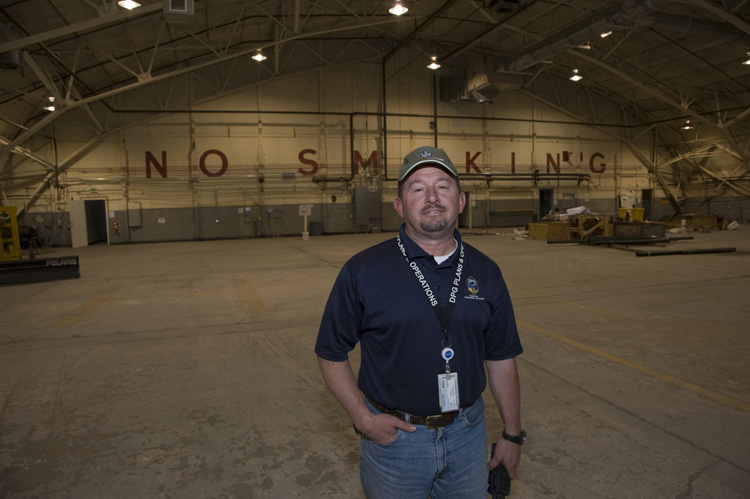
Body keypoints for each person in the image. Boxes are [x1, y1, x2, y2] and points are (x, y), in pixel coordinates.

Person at [315, 145, 524, 499]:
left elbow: (501, 356)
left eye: (443, 186)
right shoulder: (363, 271)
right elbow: (330, 351)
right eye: (417, 188)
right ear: (399, 206)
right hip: (396, 441)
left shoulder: (486, 271)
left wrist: (512, 434)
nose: (432, 197)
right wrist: (364, 419)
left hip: (467, 434)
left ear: (461, 201)